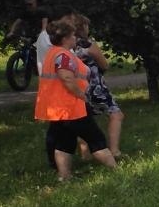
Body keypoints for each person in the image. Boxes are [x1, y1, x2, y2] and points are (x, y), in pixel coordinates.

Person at [34, 14, 117, 180]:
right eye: (72, 36)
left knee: (65, 142)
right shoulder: (63, 56)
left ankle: (64, 176)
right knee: (96, 138)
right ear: (65, 38)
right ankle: (117, 171)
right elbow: (66, 78)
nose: (74, 38)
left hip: (59, 109)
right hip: (71, 107)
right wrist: (81, 95)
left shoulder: (53, 53)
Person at [70, 14, 123, 159]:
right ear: (83, 27)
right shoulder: (89, 45)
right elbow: (104, 64)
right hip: (96, 87)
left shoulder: (69, 46)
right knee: (115, 114)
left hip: (79, 87)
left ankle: (85, 154)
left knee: (86, 120)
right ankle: (114, 151)